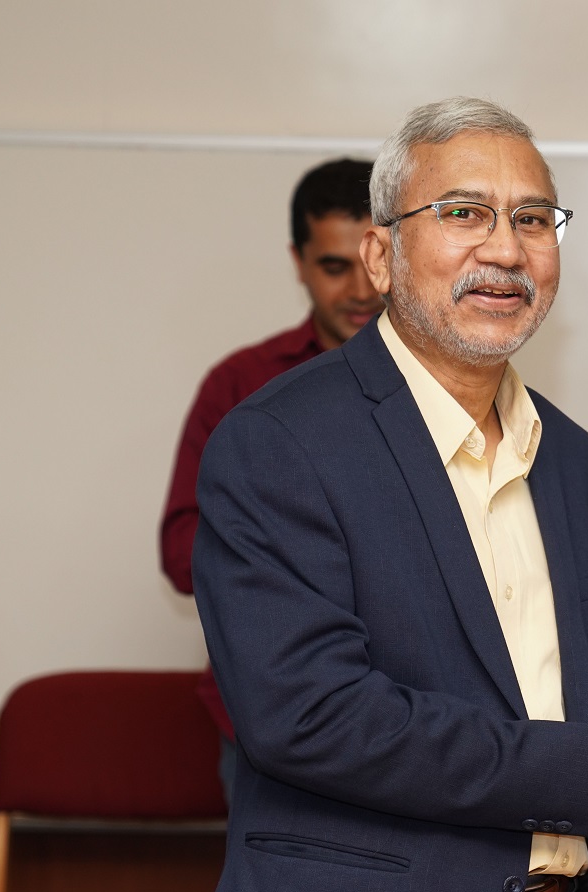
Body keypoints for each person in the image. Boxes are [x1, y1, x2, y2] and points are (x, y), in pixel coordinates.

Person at [183, 97, 588, 892]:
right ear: (381, 253)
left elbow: (565, 674)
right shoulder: (280, 441)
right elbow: (312, 714)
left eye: (533, 219)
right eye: (464, 213)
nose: (506, 249)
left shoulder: (568, 454)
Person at [159, 157, 382, 799]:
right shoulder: (241, 384)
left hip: (428, 715)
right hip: (272, 716)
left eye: (370, 264)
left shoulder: (456, 386)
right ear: (298, 261)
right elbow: (181, 552)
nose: (360, 291)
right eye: (333, 267)